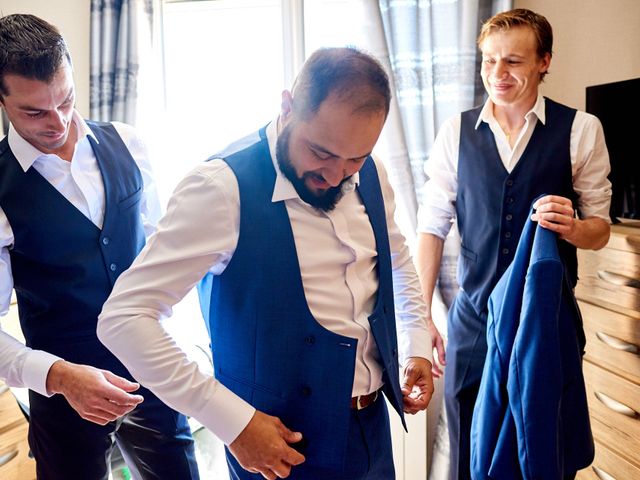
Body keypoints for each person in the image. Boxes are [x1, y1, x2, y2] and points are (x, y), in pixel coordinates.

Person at [98, 46, 443, 480]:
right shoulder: (220, 188)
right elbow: (123, 317)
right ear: (287, 106)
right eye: (321, 152)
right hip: (275, 450)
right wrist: (232, 422)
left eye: (354, 159)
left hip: (372, 432)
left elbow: (397, 260)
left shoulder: (372, 174)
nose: (336, 176)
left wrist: (414, 345)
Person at [414, 8, 611, 480]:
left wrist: (572, 228)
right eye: (488, 61)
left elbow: (600, 228)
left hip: (547, 320)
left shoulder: (582, 130)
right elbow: (432, 226)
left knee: (546, 445)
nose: (497, 75)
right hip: (473, 321)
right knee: (467, 450)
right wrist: (423, 317)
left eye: (513, 63)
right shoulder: (454, 133)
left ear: (544, 61)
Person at [0, 14, 199, 479]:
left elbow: (161, 255)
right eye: (35, 112)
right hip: (64, 395)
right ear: (3, 100)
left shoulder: (129, 144)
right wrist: (59, 377)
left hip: (153, 372)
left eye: (66, 99)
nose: (59, 121)